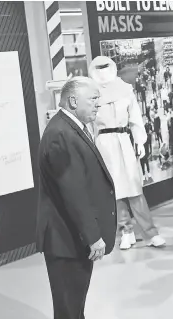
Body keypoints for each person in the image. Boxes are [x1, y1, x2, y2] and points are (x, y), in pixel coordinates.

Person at [36, 77, 117, 318]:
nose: (98, 104)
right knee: (69, 311)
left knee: (74, 308)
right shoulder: (61, 134)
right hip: (66, 239)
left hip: (71, 237)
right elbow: (72, 191)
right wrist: (93, 236)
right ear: (73, 100)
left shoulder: (70, 128)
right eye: (93, 99)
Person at [89, 56, 165, 251]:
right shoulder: (90, 93)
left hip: (124, 140)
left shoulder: (125, 89)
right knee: (114, 190)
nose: (103, 70)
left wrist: (140, 140)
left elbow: (135, 116)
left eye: (106, 66)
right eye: (99, 67)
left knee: (133, 187)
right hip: (103, 144)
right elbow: (88, 123)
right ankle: (125, 231)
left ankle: (150, 233)